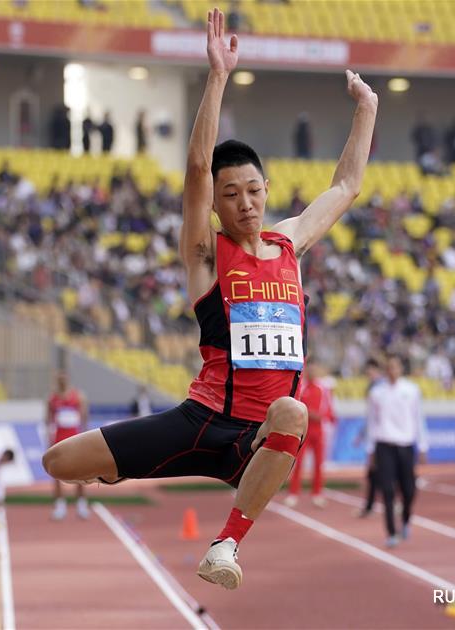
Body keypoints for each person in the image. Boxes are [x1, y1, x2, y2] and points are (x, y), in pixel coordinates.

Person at [42, 8, 377, 590]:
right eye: (231, 194)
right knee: (59, 463)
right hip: (199, 421)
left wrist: (367, 108)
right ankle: (128, 469)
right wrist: (218, 76)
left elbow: (346, 186)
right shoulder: (206, 254)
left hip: (254, 439)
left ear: (267, 190)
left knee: (294, 412)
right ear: (218, 205)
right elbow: (198, 167)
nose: (245, 203)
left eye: (253, 190)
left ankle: (226, 544)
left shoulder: (290, 244)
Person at [366, 355, 428, 547]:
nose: (392, 371)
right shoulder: (377, 393)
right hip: (384, 445)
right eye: (389, 367)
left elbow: (418, 418)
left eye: (395, 367)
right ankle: (391, 532)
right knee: (387, 490)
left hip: (406, 444)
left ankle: (406, 519)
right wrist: (370, 449)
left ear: (401, 369)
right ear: (386, 370)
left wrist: (423, 445)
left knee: (409, 490)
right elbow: (371, 422)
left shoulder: (412, 390)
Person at [285, 359, 336, 507]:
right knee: (298, 463)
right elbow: (295, 407)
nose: (312, 372)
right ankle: (293, 493)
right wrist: (308, 414)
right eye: (310, 369)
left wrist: (321, 416)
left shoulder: (323, 388)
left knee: (318, 464)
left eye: (315, 369)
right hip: (303, 430)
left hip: (318, 431)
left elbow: (328, 409)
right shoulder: (301, 387)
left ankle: (317, 494)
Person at [46, 371, 90, 520]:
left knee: (80, 472)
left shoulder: (78, 396)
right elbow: (48, 420)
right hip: (59, 437)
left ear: (68, 380)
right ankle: (60, 505)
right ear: (57, 381)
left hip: (75, 437)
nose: (62, 382)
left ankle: (81, 504)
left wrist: (86, 437)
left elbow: (84, 418)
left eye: (64, 379)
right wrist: (49, 438)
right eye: (60, 380)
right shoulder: (52, 398)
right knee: (57, 473)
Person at [355, 357, 382, 518]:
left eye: (370, 370)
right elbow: (370, 416)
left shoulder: (381, 387)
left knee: (379, 471)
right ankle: (370, 506)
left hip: (383, 435)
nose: (368, 373)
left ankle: (372, 506)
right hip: (375, 434)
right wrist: (362, 434)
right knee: (374, 471)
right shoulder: (372, 386)